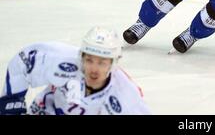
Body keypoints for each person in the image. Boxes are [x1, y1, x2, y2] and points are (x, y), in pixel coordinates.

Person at [0, 27, 151, 115]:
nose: (94, 69)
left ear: (113, 64)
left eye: (101, 63)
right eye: (89, 60)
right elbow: (23, 61)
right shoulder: (62, 59)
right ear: (81, 56)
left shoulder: (126, 95)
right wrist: (11, 101)